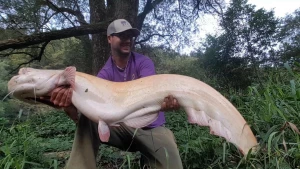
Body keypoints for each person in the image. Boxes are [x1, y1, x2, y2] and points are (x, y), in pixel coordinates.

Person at [50, 19, 183, 169]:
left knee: (172, 164)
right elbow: (93, 109)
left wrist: (163, 103)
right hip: (121, 127)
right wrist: (70, 108)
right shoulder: (104, 74)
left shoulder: (143, 62)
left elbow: (149, 95)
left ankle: (148, 159)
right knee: (88, 120)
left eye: (130, 36)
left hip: (151, 128)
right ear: (109, 38)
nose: (127, 40)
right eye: (122, 35)